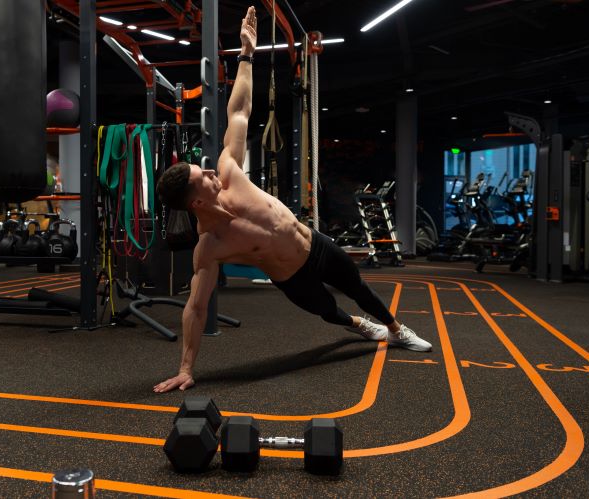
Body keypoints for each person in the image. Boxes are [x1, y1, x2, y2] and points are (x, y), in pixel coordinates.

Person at [153, 6, 431, 394]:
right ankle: (359, 326)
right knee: (330, 312)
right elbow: (196, 308)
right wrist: (186, 368)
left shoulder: (230, 171)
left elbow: (239, 111)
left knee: (358, 286)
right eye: (205, 178)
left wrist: (247, 54)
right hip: (291, 277)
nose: (212, 172)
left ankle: (398, 330)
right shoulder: (210, 246)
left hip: (313, 243)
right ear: (196, 202)